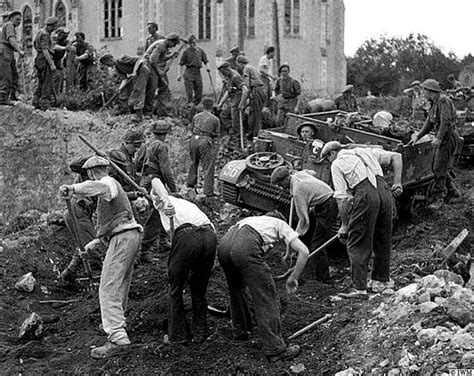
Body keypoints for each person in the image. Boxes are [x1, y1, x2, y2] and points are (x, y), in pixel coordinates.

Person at [59, 156, 142, 359]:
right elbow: (113, 226)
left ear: (91, 173)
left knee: (108, 287)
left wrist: (74, 189)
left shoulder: (107, 183)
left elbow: (101, 188)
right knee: (119, 284)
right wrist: (92, 245)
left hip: (123, 239)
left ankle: (117, 337)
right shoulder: (112, 191)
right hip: (128, 236)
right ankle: (117, 324)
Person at [217, 211, 309, 362]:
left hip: (224, 246)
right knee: (265, 295)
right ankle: (275, 350)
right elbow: (304, 252)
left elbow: (241, 248)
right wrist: (293, 278)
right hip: (244, 247)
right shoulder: (280, 224)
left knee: (236, 289)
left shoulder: (252, 220)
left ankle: (241, 330)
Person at [320, 142, 403, 298]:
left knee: (357, 241)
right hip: (385, 193)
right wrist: (397, 182)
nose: (328, 162)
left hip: (366, 194)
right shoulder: (366, 151)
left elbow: (342, 197)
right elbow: (396, 156)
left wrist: (344, 225)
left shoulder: (337, 164)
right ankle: (380, 281)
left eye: (327, 159)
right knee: (382, 238)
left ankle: (359, 289)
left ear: (332, 154)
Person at [150, 178, 217, 344]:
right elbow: (210, 230)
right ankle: (200, 332)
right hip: (209, 236)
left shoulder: (166, 202)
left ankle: (177, 336)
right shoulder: (188, 206)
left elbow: (155, 181)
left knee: (175, 287)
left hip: (187, 235)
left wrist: (165, 200)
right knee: (198, 288)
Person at [271, 166, 338, 281]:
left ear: (287, 179)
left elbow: (303, 220)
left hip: (328, 206)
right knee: (308, 234)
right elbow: (313, 172)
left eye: (280, 184)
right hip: (321, 203)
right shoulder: (298, 174)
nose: (280, 187)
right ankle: (303, 257)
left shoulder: (297, 191)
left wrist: (293, 236)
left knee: (318, 243)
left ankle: (323, 279)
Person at [408, 79, 461, 210]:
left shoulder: (443, 101)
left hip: (448, 137)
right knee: (439, 166)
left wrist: (438, 138)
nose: (423, 93)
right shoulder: (434, 103)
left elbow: (446, 121)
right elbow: (429, 122)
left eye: (424, 90)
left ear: (430, 91)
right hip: (444, 137)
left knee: (438, 167)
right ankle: (453, 192)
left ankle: (439, 198)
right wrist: (417, 136)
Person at [135, 120, 177, 264]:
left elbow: (137, 164)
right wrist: (174, 189)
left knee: (159, 212)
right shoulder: (162, 146)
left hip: (145, 180)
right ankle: (144, 250)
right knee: (156, 215)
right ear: (165, 134)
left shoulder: (145, 145)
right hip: (156, 181)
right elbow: (166, 170)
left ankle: (163, 241)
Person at [187, 97, 220, 197]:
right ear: (212, 107)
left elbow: (192, 129)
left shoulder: (196, 116)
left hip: (194, 139)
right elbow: (216, 136)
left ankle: (191, 184)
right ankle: (208, 191)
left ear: (203, 106)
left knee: (193, 162)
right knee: (208, 166)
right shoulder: (215, 119)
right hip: (205, 141)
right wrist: (215, 149)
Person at [146, 33, 180, 116]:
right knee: (152, 88)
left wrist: (171, 56)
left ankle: (161, 110)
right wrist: (159, 71)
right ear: (170, 41)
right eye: (174, 44)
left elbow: (161, 58)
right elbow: (152, 60)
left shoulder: (164, 46)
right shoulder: (161, 45)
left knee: (164, 86)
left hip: (155, 66)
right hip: (150, 67)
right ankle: (148, 112)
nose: (173, 46)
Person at [216, 61, 249, 138]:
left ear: (228, 69)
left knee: (236, 121)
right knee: (224, 115)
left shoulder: (235, 77)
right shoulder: (229, 77)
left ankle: (239, 138)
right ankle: (232, 131)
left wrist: (242, 103)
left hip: (237, 101)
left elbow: (245, 90)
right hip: (234, 101)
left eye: (224, 73)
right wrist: (221, 103)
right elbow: (229, 91)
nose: (223, 75)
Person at [236, 55, 265, 140]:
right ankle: (252, 134)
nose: (239, 67)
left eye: (239, 65)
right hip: (259, 90)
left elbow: (247, 84)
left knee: (256, 115)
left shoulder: (246, 69)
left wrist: (244, 100)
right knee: (253, 114)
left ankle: (256, 135)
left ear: (241, 63)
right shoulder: (252, 67)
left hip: (256, 90)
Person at [33, 16, 59, 109]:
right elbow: (45, 50)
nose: (54, 29)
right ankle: (44, 104)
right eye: (54, 27)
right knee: (47, 82)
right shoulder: (46, 34)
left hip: (39, 58)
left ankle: (36, 101)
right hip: (44, 59)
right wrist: (51, 64)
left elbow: (35, 44)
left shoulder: (40, 31)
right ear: (50, 26)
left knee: (41, 81)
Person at [178, 34, 210, 106]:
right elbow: (180, 64)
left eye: (194, 42)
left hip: (197, 73)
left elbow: (206, 61)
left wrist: (208, 67)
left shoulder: (200, 51)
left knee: (199, 95)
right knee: (189, 94)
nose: (193, 44)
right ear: (189, 43)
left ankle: (195, 108)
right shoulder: (186, 51)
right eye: (192, 42)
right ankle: (189, 108)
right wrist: (179, 74)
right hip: (189, 73)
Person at [0, 10, 24, 105]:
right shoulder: (9, 25)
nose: (19, 21)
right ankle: (2, 97)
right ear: (11, 18)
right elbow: (11, 39)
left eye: (20, 20)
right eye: (17, 19)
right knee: (6, 74)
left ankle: (12, 94)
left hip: (8, 52)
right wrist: (19, 50)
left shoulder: (10, 26)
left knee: (14, 74)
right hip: (4, 51)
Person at [51, 27, 72, 95]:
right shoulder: (53, 38)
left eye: (66, 35)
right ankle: (53, 95)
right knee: (55, 77)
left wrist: (69, 46)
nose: (64, 37)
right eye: (63, 34)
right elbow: (54, 46)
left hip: (58, 61)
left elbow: (69, 46)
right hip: (51, 60)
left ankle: (58, 94)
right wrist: (65, 48)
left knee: (61, 77)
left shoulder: (65, 41)